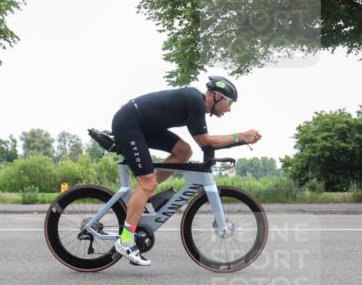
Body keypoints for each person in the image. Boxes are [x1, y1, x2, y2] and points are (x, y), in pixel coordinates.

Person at [110, 76, 260, 265]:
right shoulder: (195, 102)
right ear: (217, 96)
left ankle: (142, 194)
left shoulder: (195, 105)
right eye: (229, 103)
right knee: (148, 183)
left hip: (142, 125)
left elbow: (204, 144)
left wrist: (240, 140)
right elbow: (205, 141)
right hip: (129, 124)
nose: (229, 109)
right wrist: (241, 136)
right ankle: (125, 241)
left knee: (184, 151)